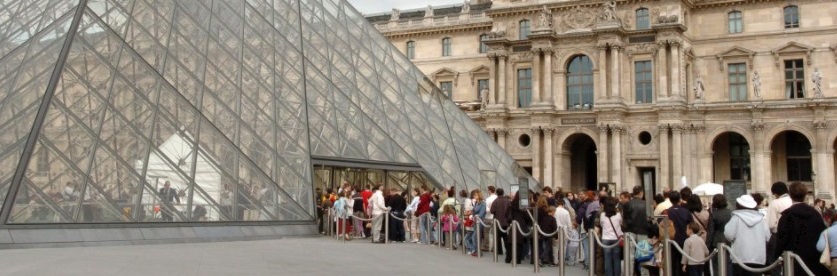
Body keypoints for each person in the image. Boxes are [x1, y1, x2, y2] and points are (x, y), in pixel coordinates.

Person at [775, 182, 830, 275]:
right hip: (814, 260)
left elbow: (781, 239)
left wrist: (776, 255)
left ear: (790, 195)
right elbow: (823, 235)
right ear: (805, 195)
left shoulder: (786, 216)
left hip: (793, 261)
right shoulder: (816, 214)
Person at [724, 194, 771, 276]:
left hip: (739, 258)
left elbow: (728, 235)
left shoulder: (736, 218)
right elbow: (767, 237)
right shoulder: (761, 220)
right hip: (758, 258)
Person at [623, 185, 648, 276]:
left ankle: (629, 273)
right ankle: (644, 274)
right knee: (643, 255)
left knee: (630, 255)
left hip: (630, 231)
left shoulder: (627, 204)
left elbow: (624, 219)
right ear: (641, 193)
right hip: (643, 231)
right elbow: (649, 219)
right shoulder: (646, 204)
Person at [666, 191, 693, 276]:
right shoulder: (686, 211)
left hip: (671, 241)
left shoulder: (666, 212)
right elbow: (691, 224)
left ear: (670, 200)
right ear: (679, 199)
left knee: (672, 264)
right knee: (684, 264)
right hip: (684, 240)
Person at [706, 194, 732, 276]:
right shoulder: (731, 213)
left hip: (716, 243)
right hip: (729, 242)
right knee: (728, 266)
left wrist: (707, 245)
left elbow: (710, 231)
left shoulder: (714, 214)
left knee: (716, 268)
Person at [600, 196, 623, 276]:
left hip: (606, 238)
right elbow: (620, 223)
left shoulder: (603, 215)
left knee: (607, 259)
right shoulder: (618, 214)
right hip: (616, 238)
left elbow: (601, 224)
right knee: (616, 259)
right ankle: (617, 274)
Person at [466, 189, 486, 256]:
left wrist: (474, 216)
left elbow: (482, 213)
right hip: (475, 221)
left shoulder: (483, 203)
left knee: (475, 236)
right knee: (474, 236)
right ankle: (475, 250)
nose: (474, 196)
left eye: (476, 195)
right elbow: (474, 212)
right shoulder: (476, 203)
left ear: (479, 195)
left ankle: (476, 250)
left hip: (480, 222)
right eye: (474, 195)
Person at [491, 188, 510, 255]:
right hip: (506, 221)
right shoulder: (507, 200)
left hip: (498, 221)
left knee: (498, 237)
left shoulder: (496, 201)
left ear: (497, 193)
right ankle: (508, 250)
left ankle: (500, 251)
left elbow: (492, 211)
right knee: (505, 237)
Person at [484, 186, 498, 252]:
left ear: (489, 191)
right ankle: (494, 247)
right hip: (495, 217)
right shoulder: (497, 198)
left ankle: (486, 246)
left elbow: (486, 209)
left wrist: (490, 209)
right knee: (494, 233)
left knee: (486, 232)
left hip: (488, 217)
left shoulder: (488, 199)